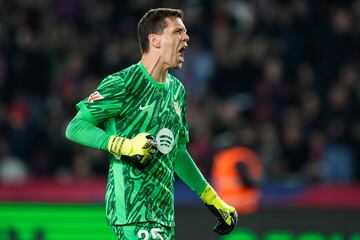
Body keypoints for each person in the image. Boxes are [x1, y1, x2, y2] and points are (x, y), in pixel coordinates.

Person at [65, 8, 237, 240]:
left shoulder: (177, 91)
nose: (186, 38)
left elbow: (176, 152)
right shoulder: (123, 83)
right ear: (154, 40)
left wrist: (211, 198)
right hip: (133, 210)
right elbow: (75, 127)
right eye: (177, 32)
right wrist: (123, 145)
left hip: (163, 217)